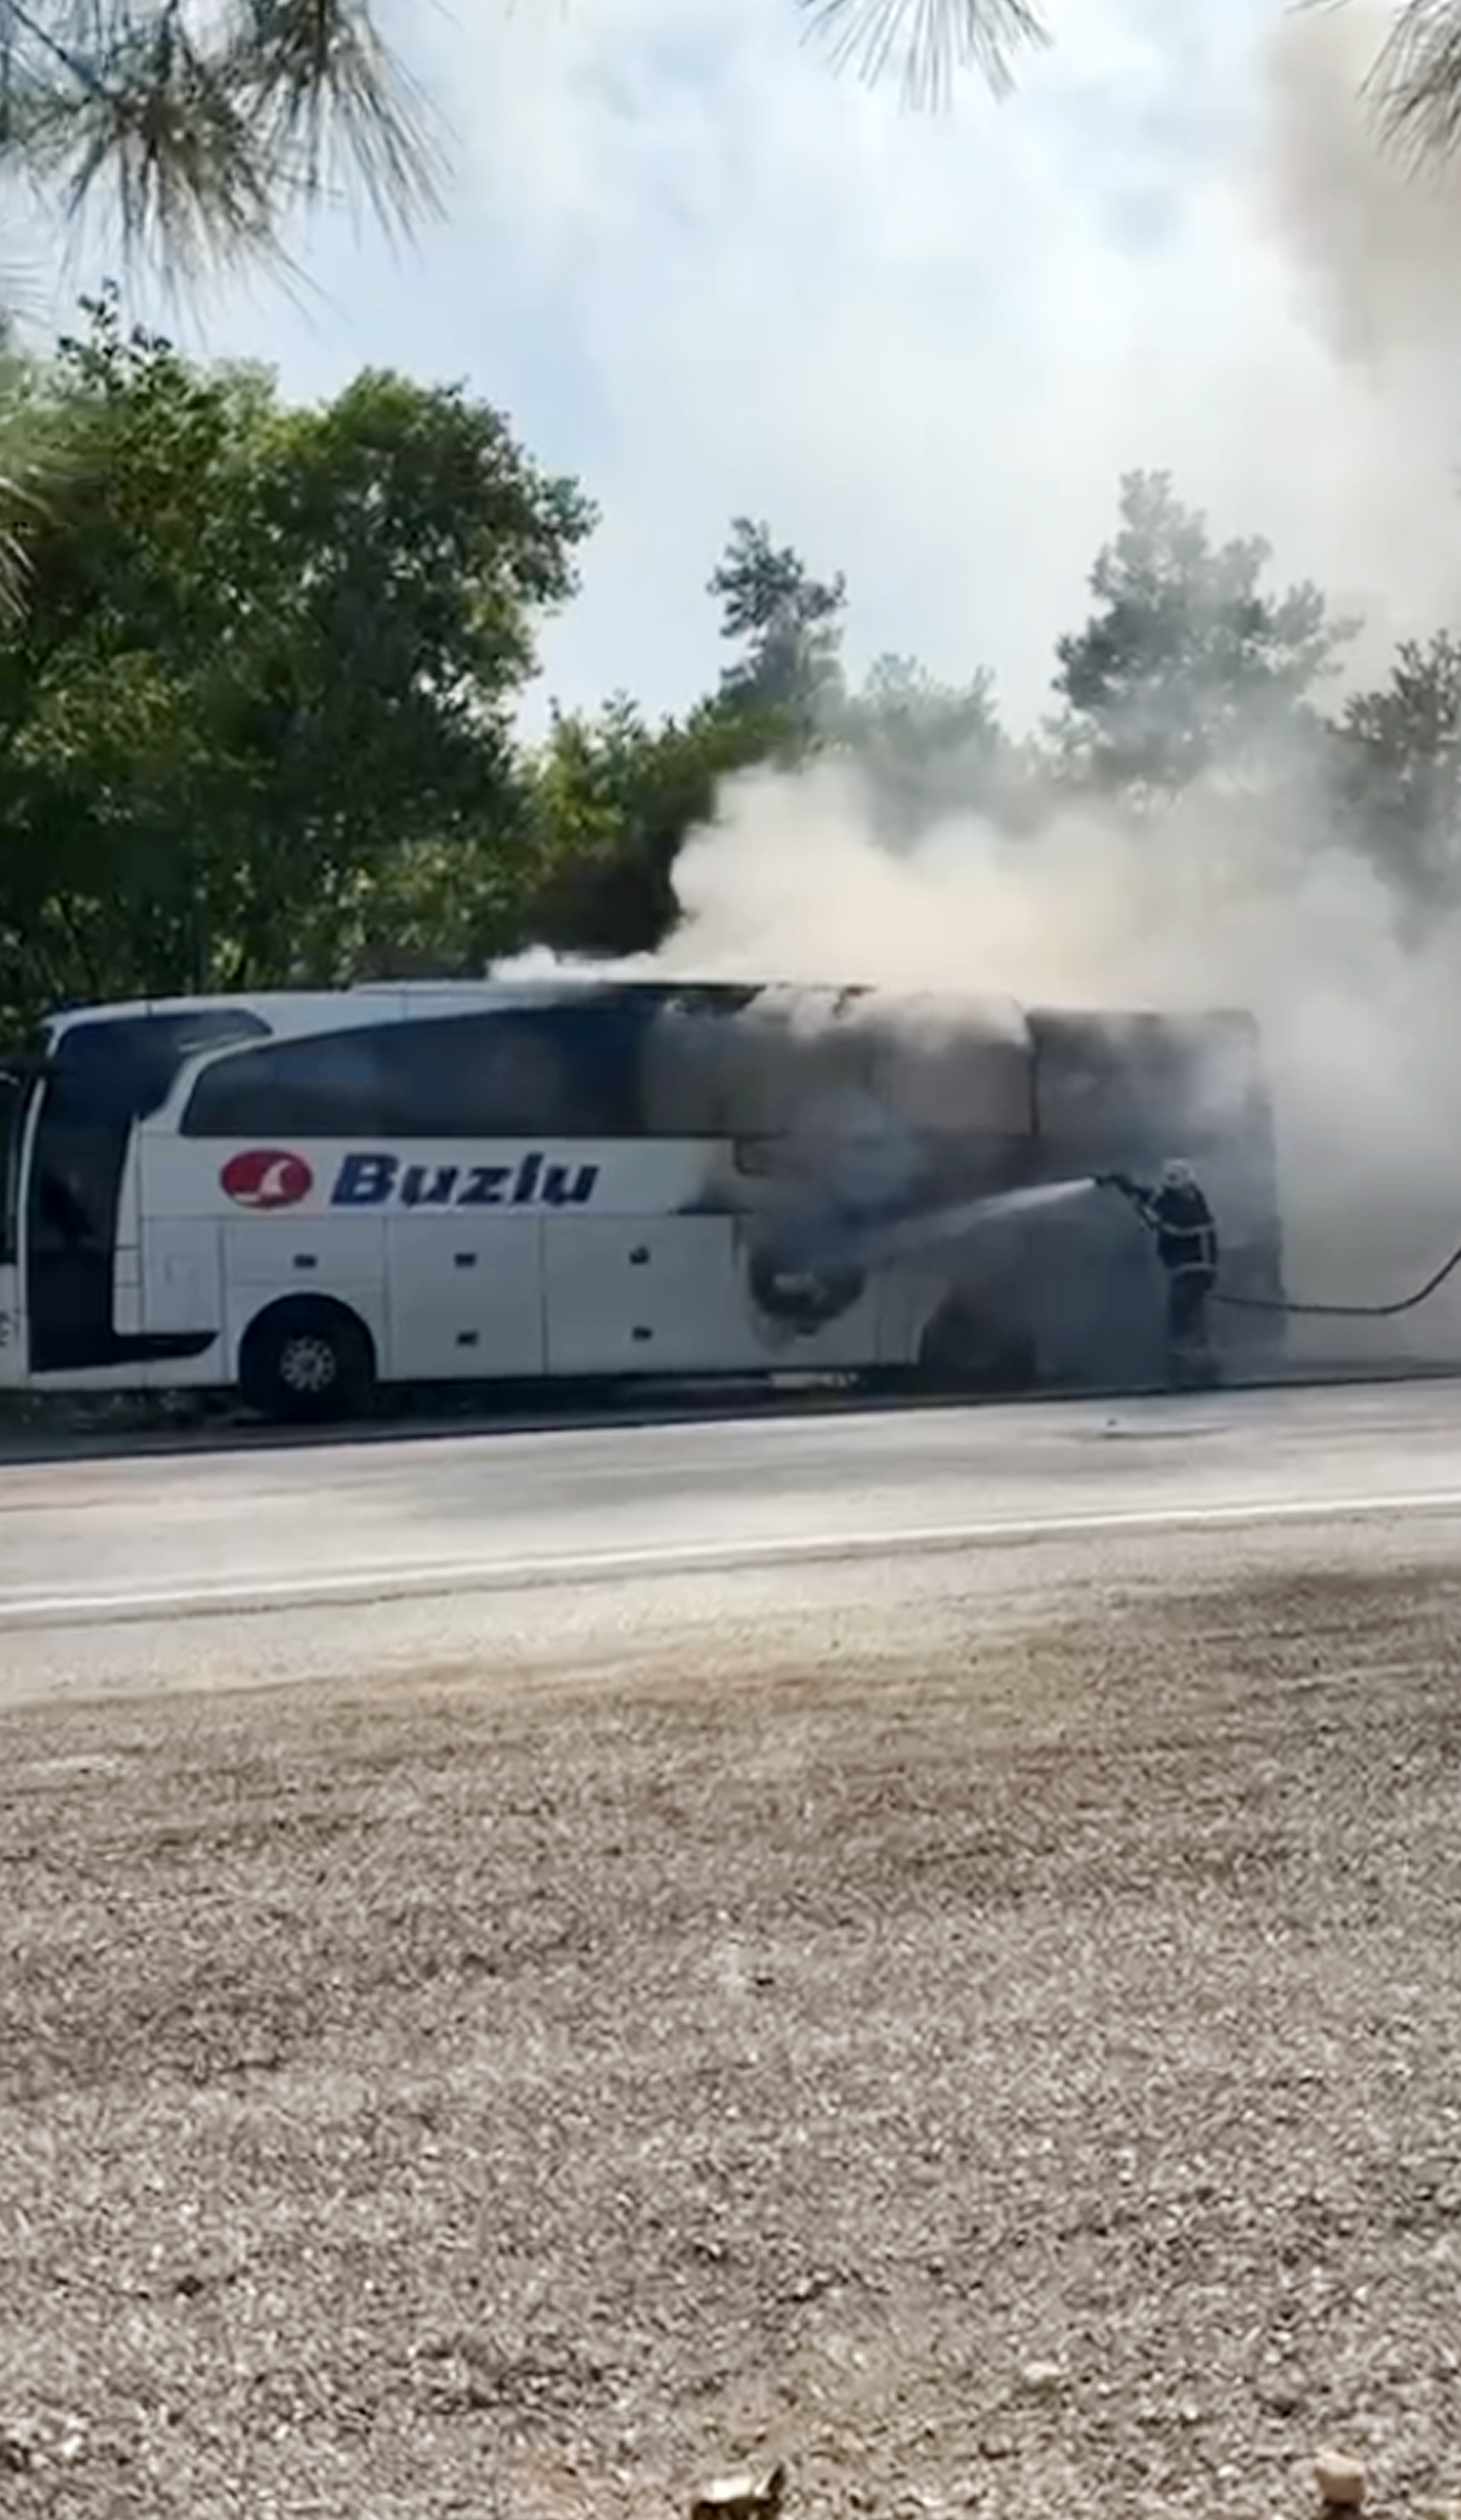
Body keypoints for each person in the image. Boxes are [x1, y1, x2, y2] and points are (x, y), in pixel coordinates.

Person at [1097, 1157, 1219, 1384]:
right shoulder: (1180, 1199)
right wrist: (1125, 1185)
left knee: (1184, 1321)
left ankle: (1191, 1370)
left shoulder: (1191, 1209)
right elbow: (1153, 1199)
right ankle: (1194, 1366)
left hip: (1191, 1273)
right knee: (1188, 1322)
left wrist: (1145, 1210)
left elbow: (1169, 1224)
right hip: (1186, 1273)